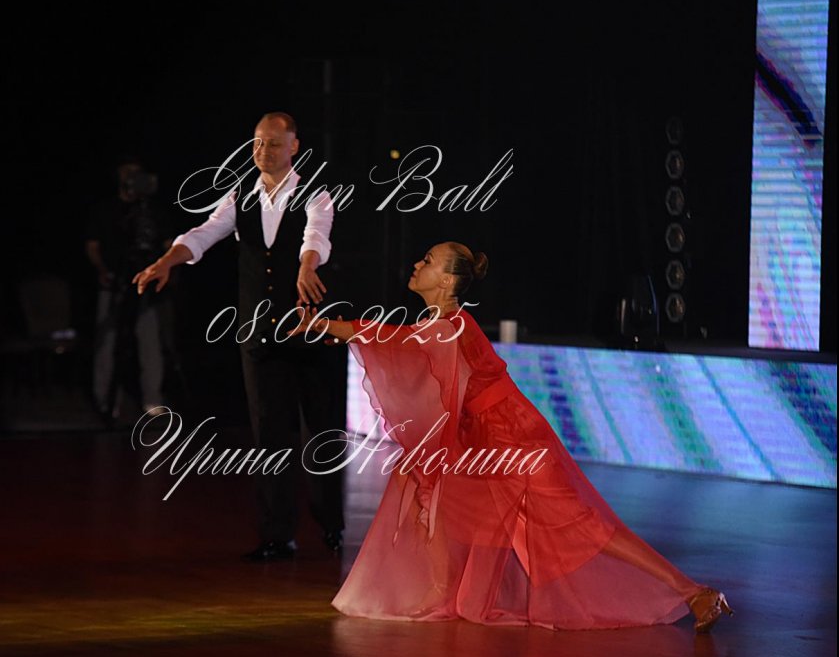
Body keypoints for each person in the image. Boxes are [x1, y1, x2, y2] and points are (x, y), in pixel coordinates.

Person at [290, 241, 733, 632]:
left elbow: (398, 340)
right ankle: (442, 591)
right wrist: (337, 331)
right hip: (485, 439)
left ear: (446, 281)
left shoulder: (452, 325)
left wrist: (331, 327)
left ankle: (693, 591)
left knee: (587, 528)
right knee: (431, 487)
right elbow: (404, 344)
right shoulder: (442, 323)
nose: (417, 265)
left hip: (515, 438)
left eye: (427, 261)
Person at [132, 112, 345, 561]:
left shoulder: (316, 193)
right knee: (269, 433)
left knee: (320, 429)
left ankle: (330, 523)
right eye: (257, 143)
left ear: (294, 146)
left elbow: (316, 235)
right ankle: (276, 533)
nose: (263, 151)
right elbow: (204, 233)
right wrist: (166, 261)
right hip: (259, 334)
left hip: (308, 330)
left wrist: (307, 266)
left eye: (273, 143)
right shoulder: (240, 195)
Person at [86, 158, 175, 419]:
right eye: (128, 173)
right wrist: (102, 271)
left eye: (137, 173)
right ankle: (105, 399)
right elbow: (92, 245)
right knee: (108, 343)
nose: (133, 177)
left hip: (146, 287)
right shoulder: (106, 210)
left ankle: (152, 399)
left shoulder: (151, 211)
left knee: (150, 342)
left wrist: (166, 267)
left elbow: (168, 243)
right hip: (114, 285)